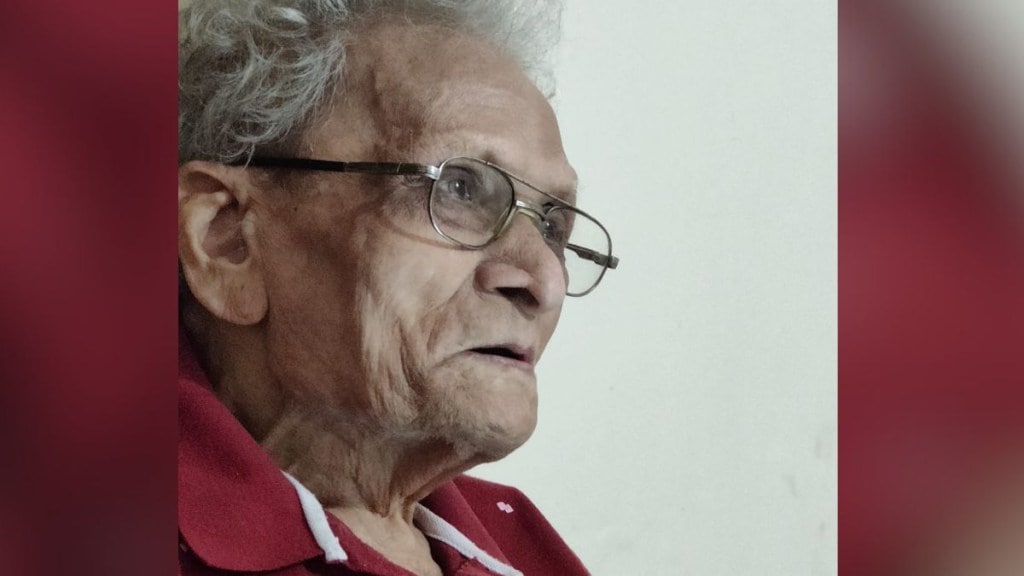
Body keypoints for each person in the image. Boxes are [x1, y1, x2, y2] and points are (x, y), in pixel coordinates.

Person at [177, 1, 618, 574]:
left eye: (554, 226)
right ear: (227, 239)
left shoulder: (525, 547)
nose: (545, 281)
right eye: (459, 188)